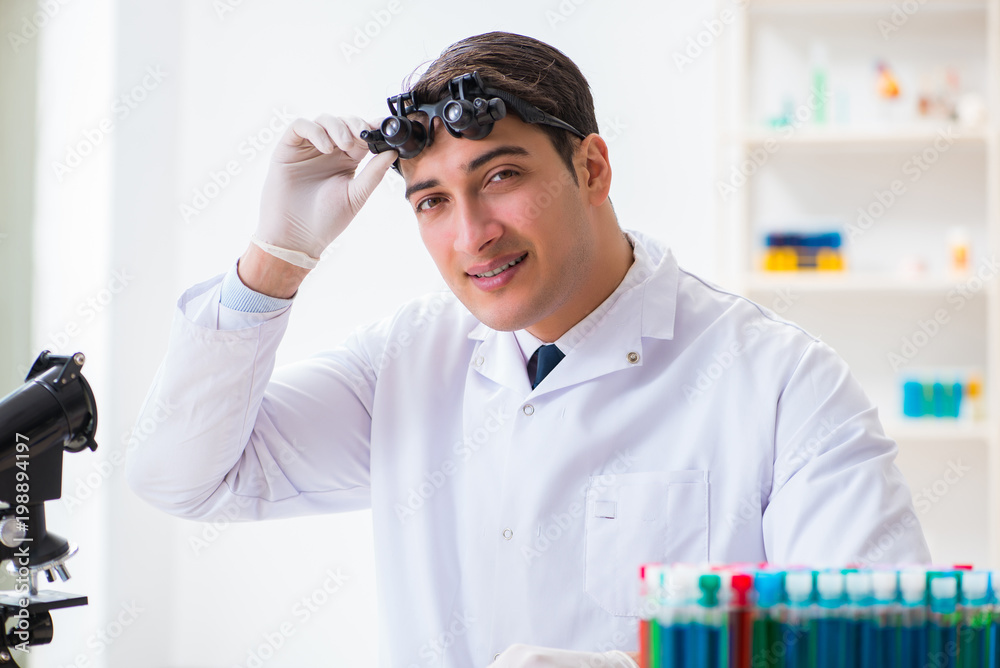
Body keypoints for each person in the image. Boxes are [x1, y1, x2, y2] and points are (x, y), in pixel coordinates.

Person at [126, 31, 931, 668]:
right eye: (433, 201)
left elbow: (887, 638)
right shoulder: (407, 361)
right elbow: (182, 477)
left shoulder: (782, 381)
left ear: (592, 166)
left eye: (501, 176)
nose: (472, 235)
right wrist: (278, 258)